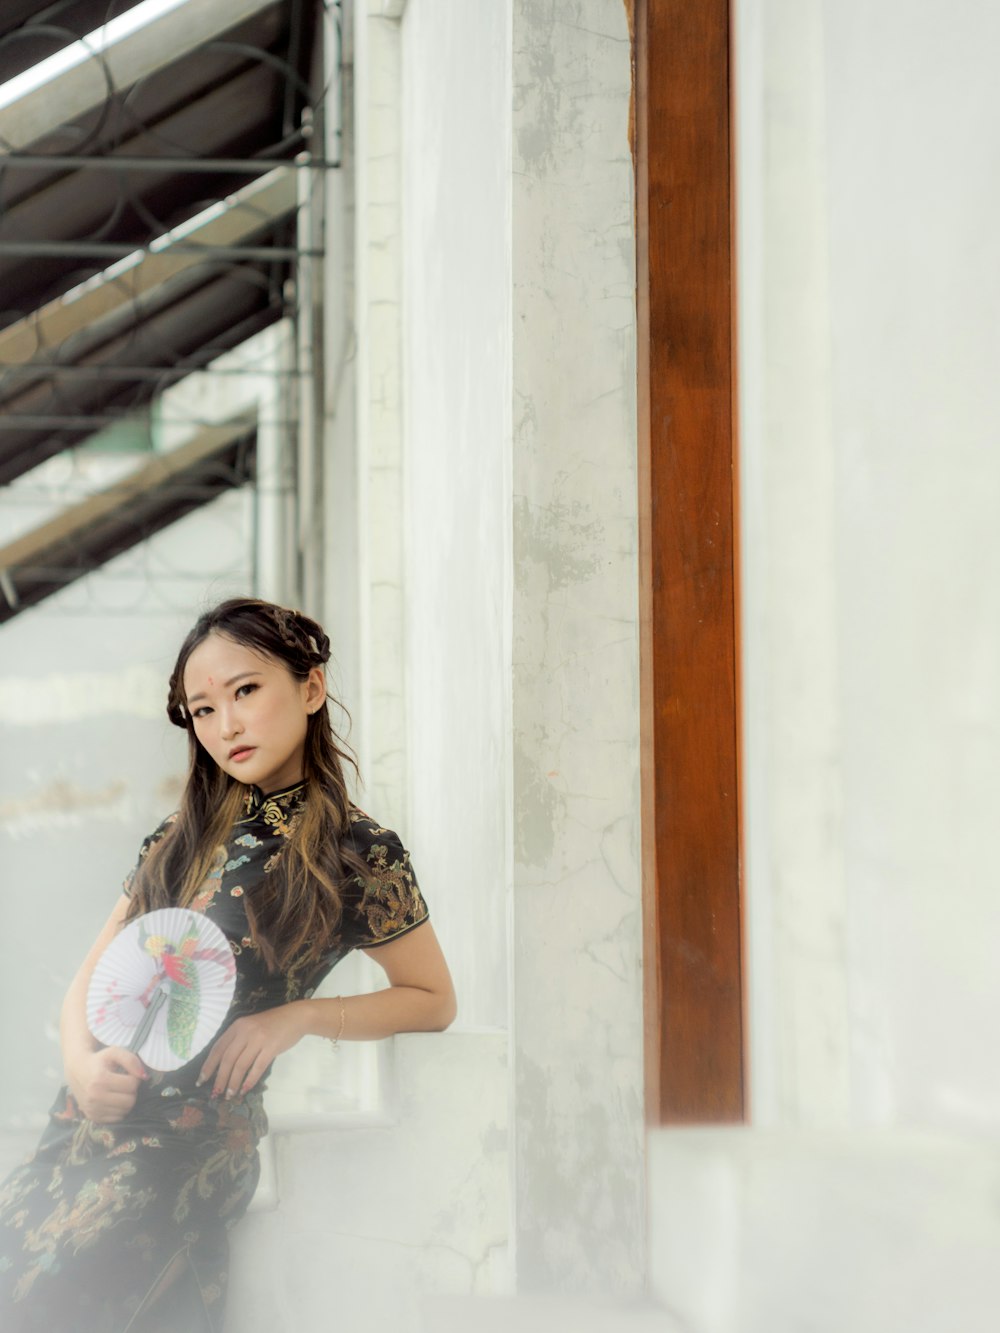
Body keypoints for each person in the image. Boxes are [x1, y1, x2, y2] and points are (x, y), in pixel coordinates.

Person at [0, 597, 456, 1332]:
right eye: (202, 709)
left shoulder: (358, 851)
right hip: (89, 1118)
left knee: (36, 1298)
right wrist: (81, 1069)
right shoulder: (177, 837)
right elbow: (89, 979)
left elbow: (432, 997)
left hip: (192, 1141)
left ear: (310, 688)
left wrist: (298, 1018)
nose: (226, 725)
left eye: (245, 691)